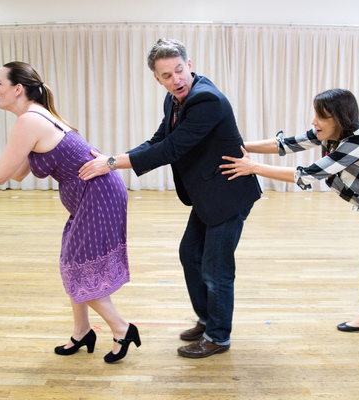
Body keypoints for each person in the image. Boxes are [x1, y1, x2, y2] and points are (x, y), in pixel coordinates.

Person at [0, 61, 140, 364]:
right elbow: (15, 173)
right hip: (96, 193)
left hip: (97, 195)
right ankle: (82, 331)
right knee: (71, 262)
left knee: (79, 269)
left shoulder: (29, 121)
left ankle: (123, 329)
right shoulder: (33, 118)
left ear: (17, 89)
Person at [219, 88, 359, 368]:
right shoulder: (331, 136)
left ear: (340, 118)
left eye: (321, 116)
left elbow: (309, 175)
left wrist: (252, 167)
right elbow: (284, 145)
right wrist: (237, 145)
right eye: (315, 115)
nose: (314, 122)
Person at [78, 39, 262, 358]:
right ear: (157, 78)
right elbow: (159, 139)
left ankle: (218, 336)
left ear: (189, 65)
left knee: (216, 268)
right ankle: (208, 320)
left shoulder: (207, 100)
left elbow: (171, 149)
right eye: (167, 75)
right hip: (208, 193)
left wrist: (111, 163)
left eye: (179, 70)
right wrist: (117, 157)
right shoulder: (173, 100)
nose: (176, 79)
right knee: (190, 253)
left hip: (228, 195)